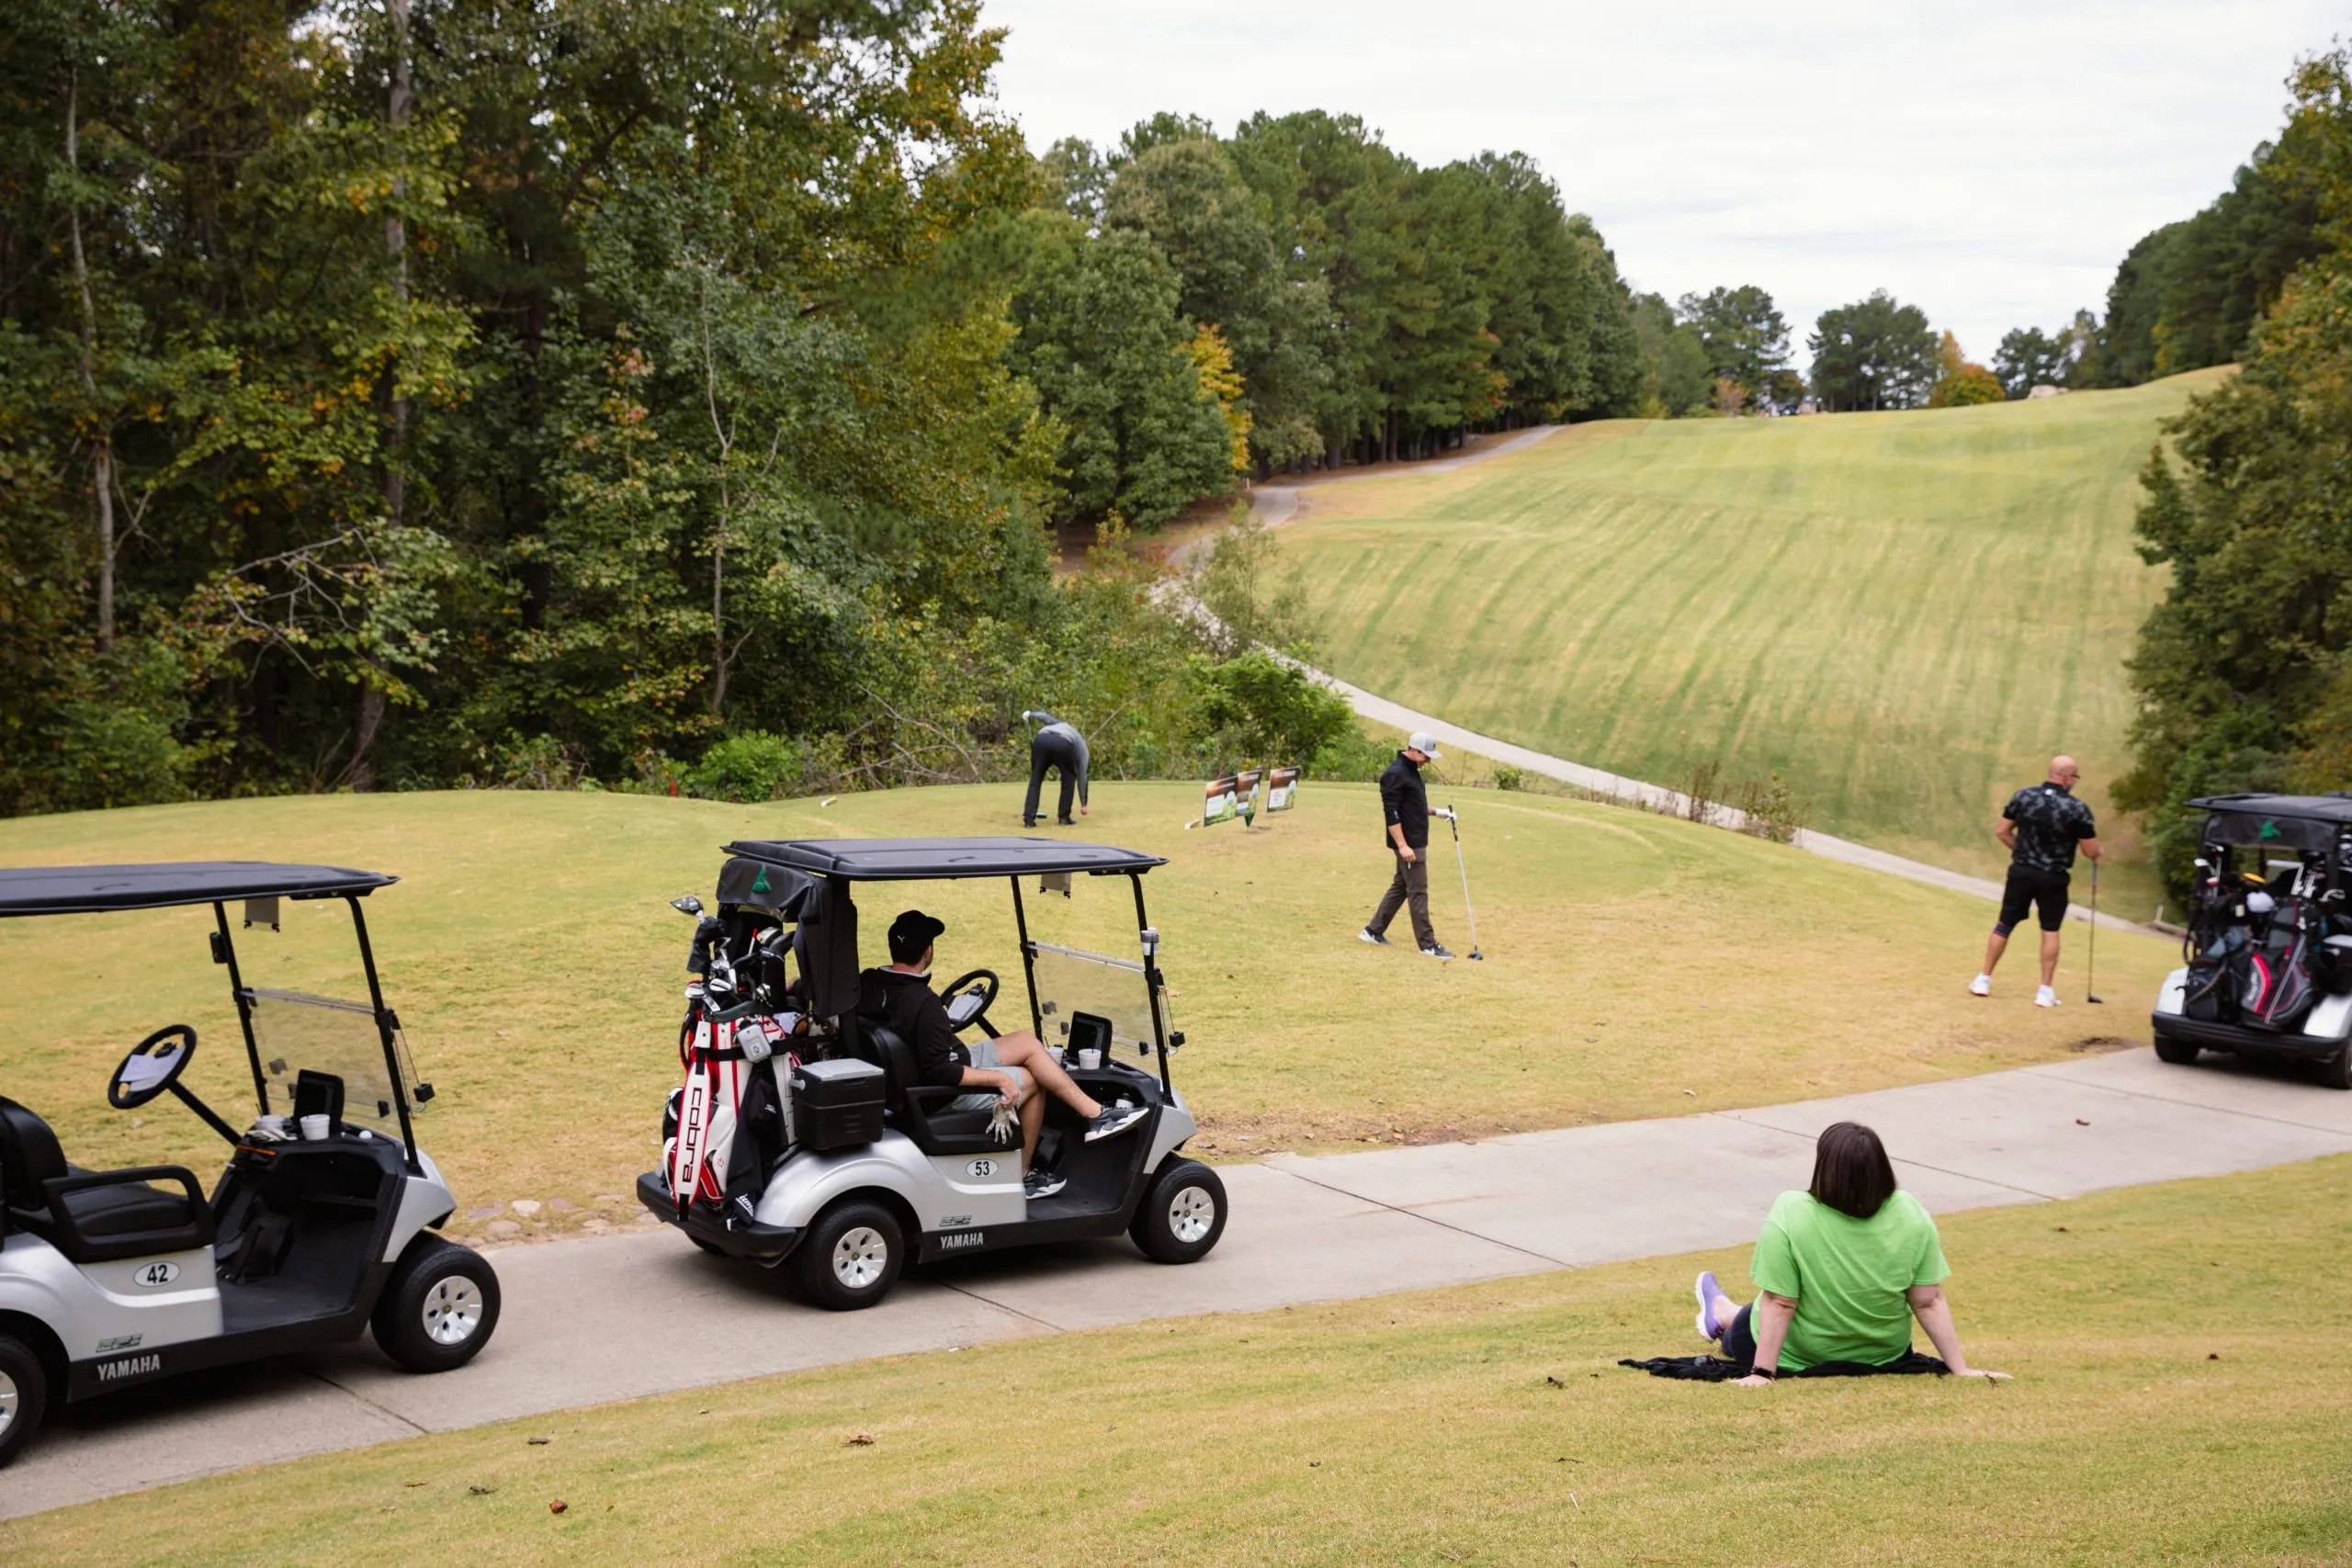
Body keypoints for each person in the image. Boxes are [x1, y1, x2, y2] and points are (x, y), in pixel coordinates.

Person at [1692, 1122, 2008, 1386]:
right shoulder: (1911, 1211)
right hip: (1883, 1356)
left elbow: (1780, 1302)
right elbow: (1928, 1300)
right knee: (1759, 1308)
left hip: (1799, 1355)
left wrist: (1762, 1373)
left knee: (1744, 1325)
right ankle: (1725, 1309)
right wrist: (1960, 1369)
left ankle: (1721, 1313)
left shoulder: (1791, 1209)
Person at [859, 909, 1147, 1198]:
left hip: (923, 1069)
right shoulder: (924, 1003)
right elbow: (942, 1071)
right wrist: (999, 1079)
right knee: (1031, 1081)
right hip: (938, 1090)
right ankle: (1022, 1176)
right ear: (928, 951)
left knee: (1025, 1041)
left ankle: (1094, 1113)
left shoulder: (869, 983)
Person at [1971, 754, 2102, 1007]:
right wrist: (2098, 853)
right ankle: (2044, 991)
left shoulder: (2023, 796)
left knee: (2004, 924)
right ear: (2066, 777)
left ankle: (1984, 979)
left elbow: (2002, 831)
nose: (2075, 781)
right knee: (2050, 930)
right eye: (2075, 776)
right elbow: (2089, 850)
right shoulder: (2077, 809)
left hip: (2021, 870)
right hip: (2053, 876)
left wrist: (2021, 851)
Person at [1359, 730, 1453, 959]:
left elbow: (1413, 804)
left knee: (1401, 886)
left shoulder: (1411, 770)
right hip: (1409, 843)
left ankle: (1372, 931)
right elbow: (1392, 815)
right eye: (1426, 755)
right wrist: (1403, 846)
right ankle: (1427, 944)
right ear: (1413, 749)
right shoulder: (1395, 774)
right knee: (1418, 891)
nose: (1429, 760)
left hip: (1415, 839)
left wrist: (1437, 812)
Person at [1019, 710, 1090, 828]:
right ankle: (1064, 818)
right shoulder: (1082, 746)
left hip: (1041, 740)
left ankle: (1028, 820)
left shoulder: (1055, 724)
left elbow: (1043, 717)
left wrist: (1030, 714)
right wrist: (1084, 803)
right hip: (1063, 744)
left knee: (1035, 779)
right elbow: (1082, 775)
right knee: (1069, 779)